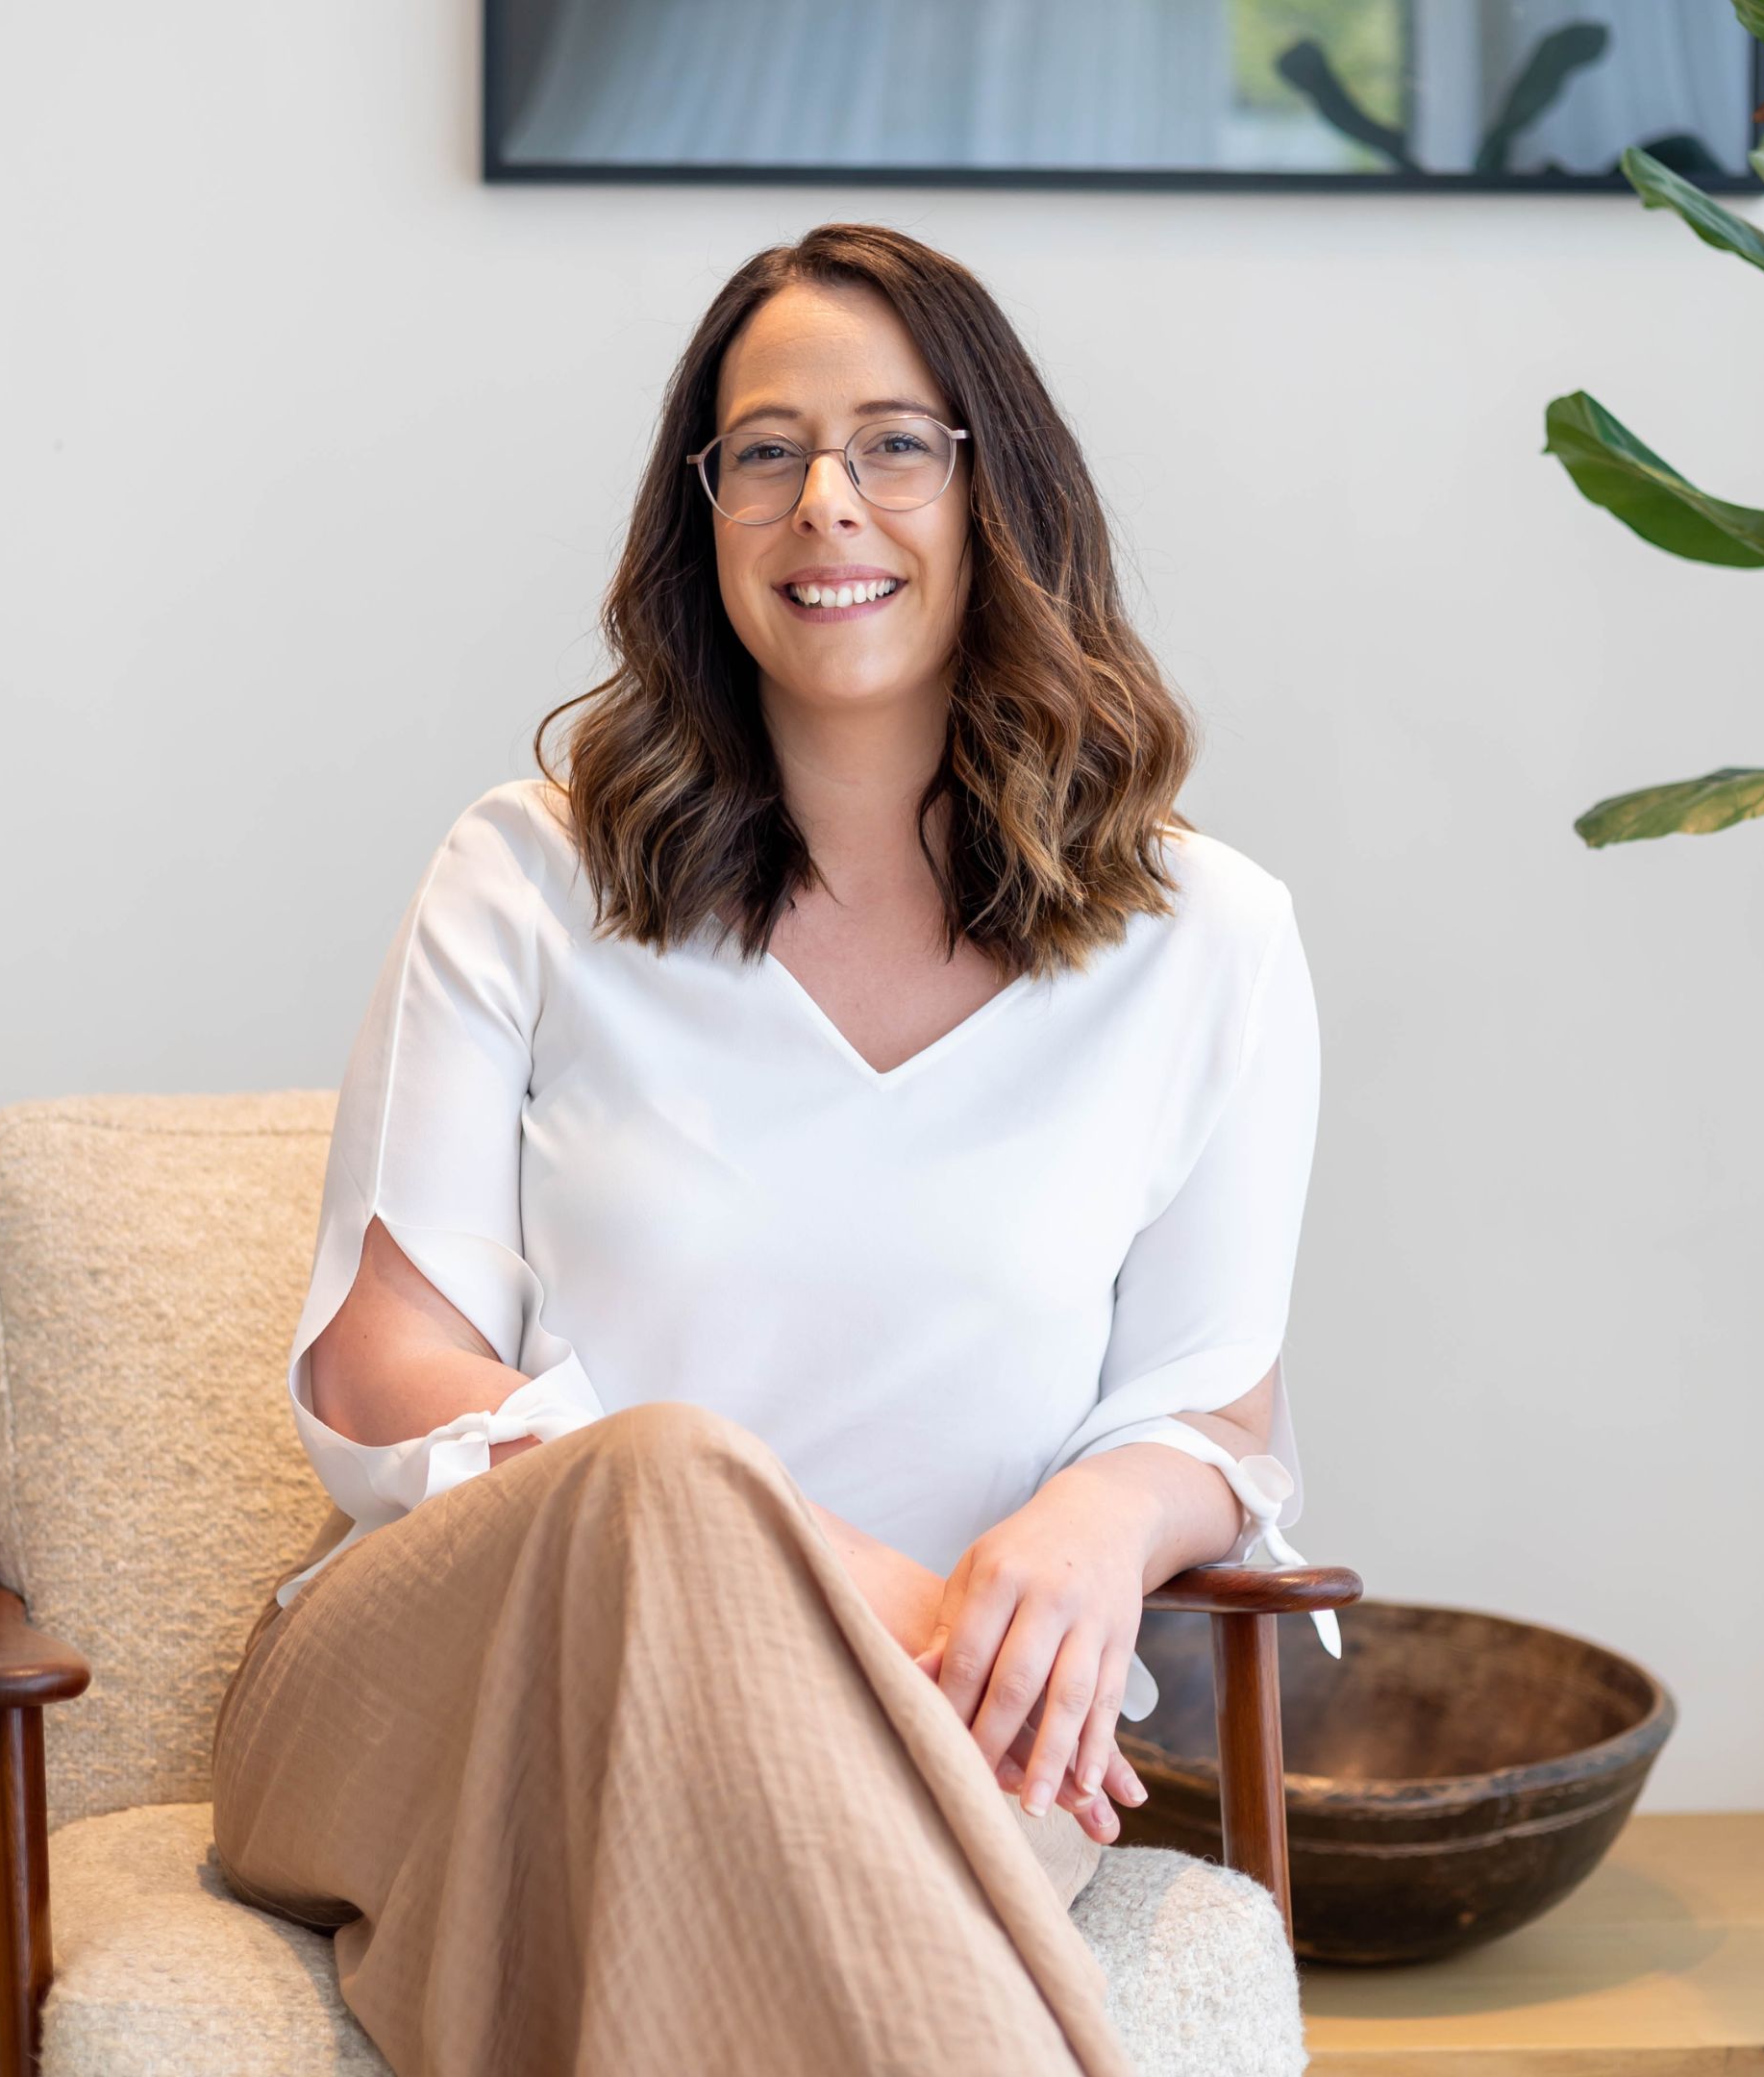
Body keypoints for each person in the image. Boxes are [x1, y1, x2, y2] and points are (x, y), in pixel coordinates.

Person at [211, 220, 1330, 2077]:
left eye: (894, 443)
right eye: (765, 452)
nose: (826, 501)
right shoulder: (532, 871)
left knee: (728, 1868)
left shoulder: (1212, 943)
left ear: (1001, 492)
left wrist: (1109, 1514)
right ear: (705, 510)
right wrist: (847, 1589)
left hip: (958, 1726)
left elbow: (1218, 1412)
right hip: (462, 1686)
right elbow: (379, 1363)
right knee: (663, 1473)